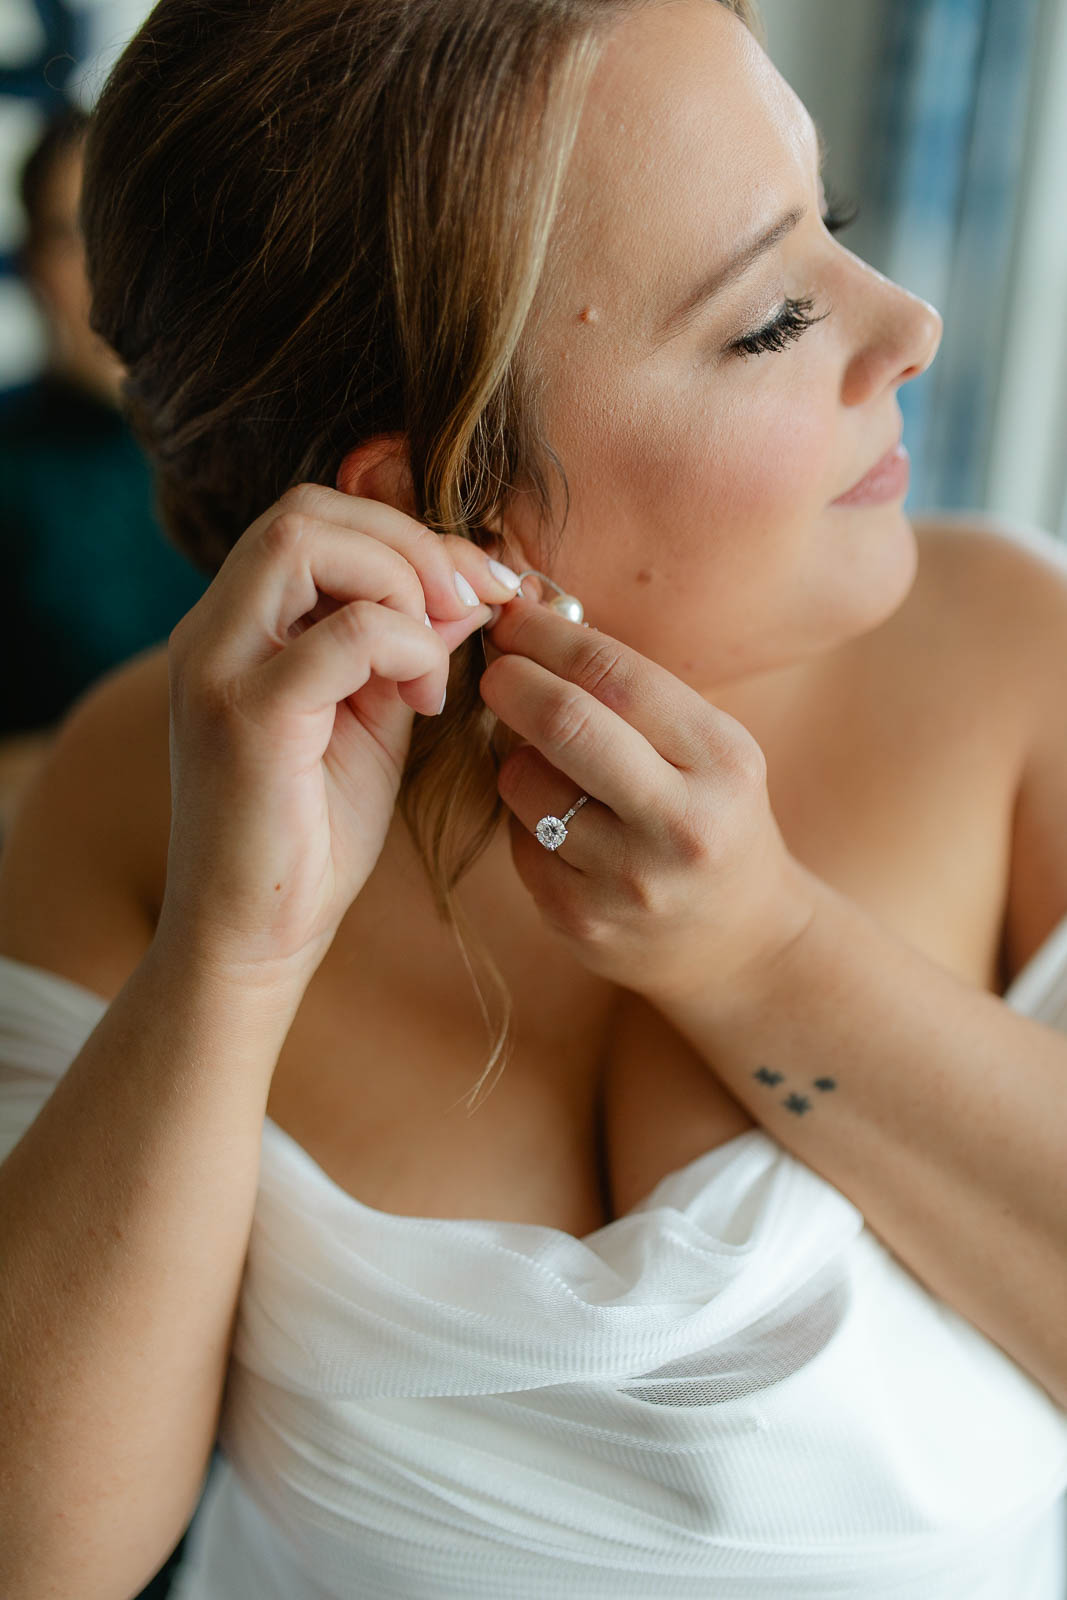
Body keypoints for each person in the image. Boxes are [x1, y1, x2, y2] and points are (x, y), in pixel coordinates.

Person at [1, 1, 1067, 1596]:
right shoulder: (139, 793)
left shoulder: (1020, 663)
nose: (905, 324)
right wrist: (233, 950)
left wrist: (764, 955)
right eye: (770, 319)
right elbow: (38, 1555)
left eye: (828, 221)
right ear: (447, 501)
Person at [0, 102, 209, 845]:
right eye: (72, 236)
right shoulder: (13, 466)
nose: (106, 269)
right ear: (32, 265)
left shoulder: (249, 450)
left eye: (129, 230)